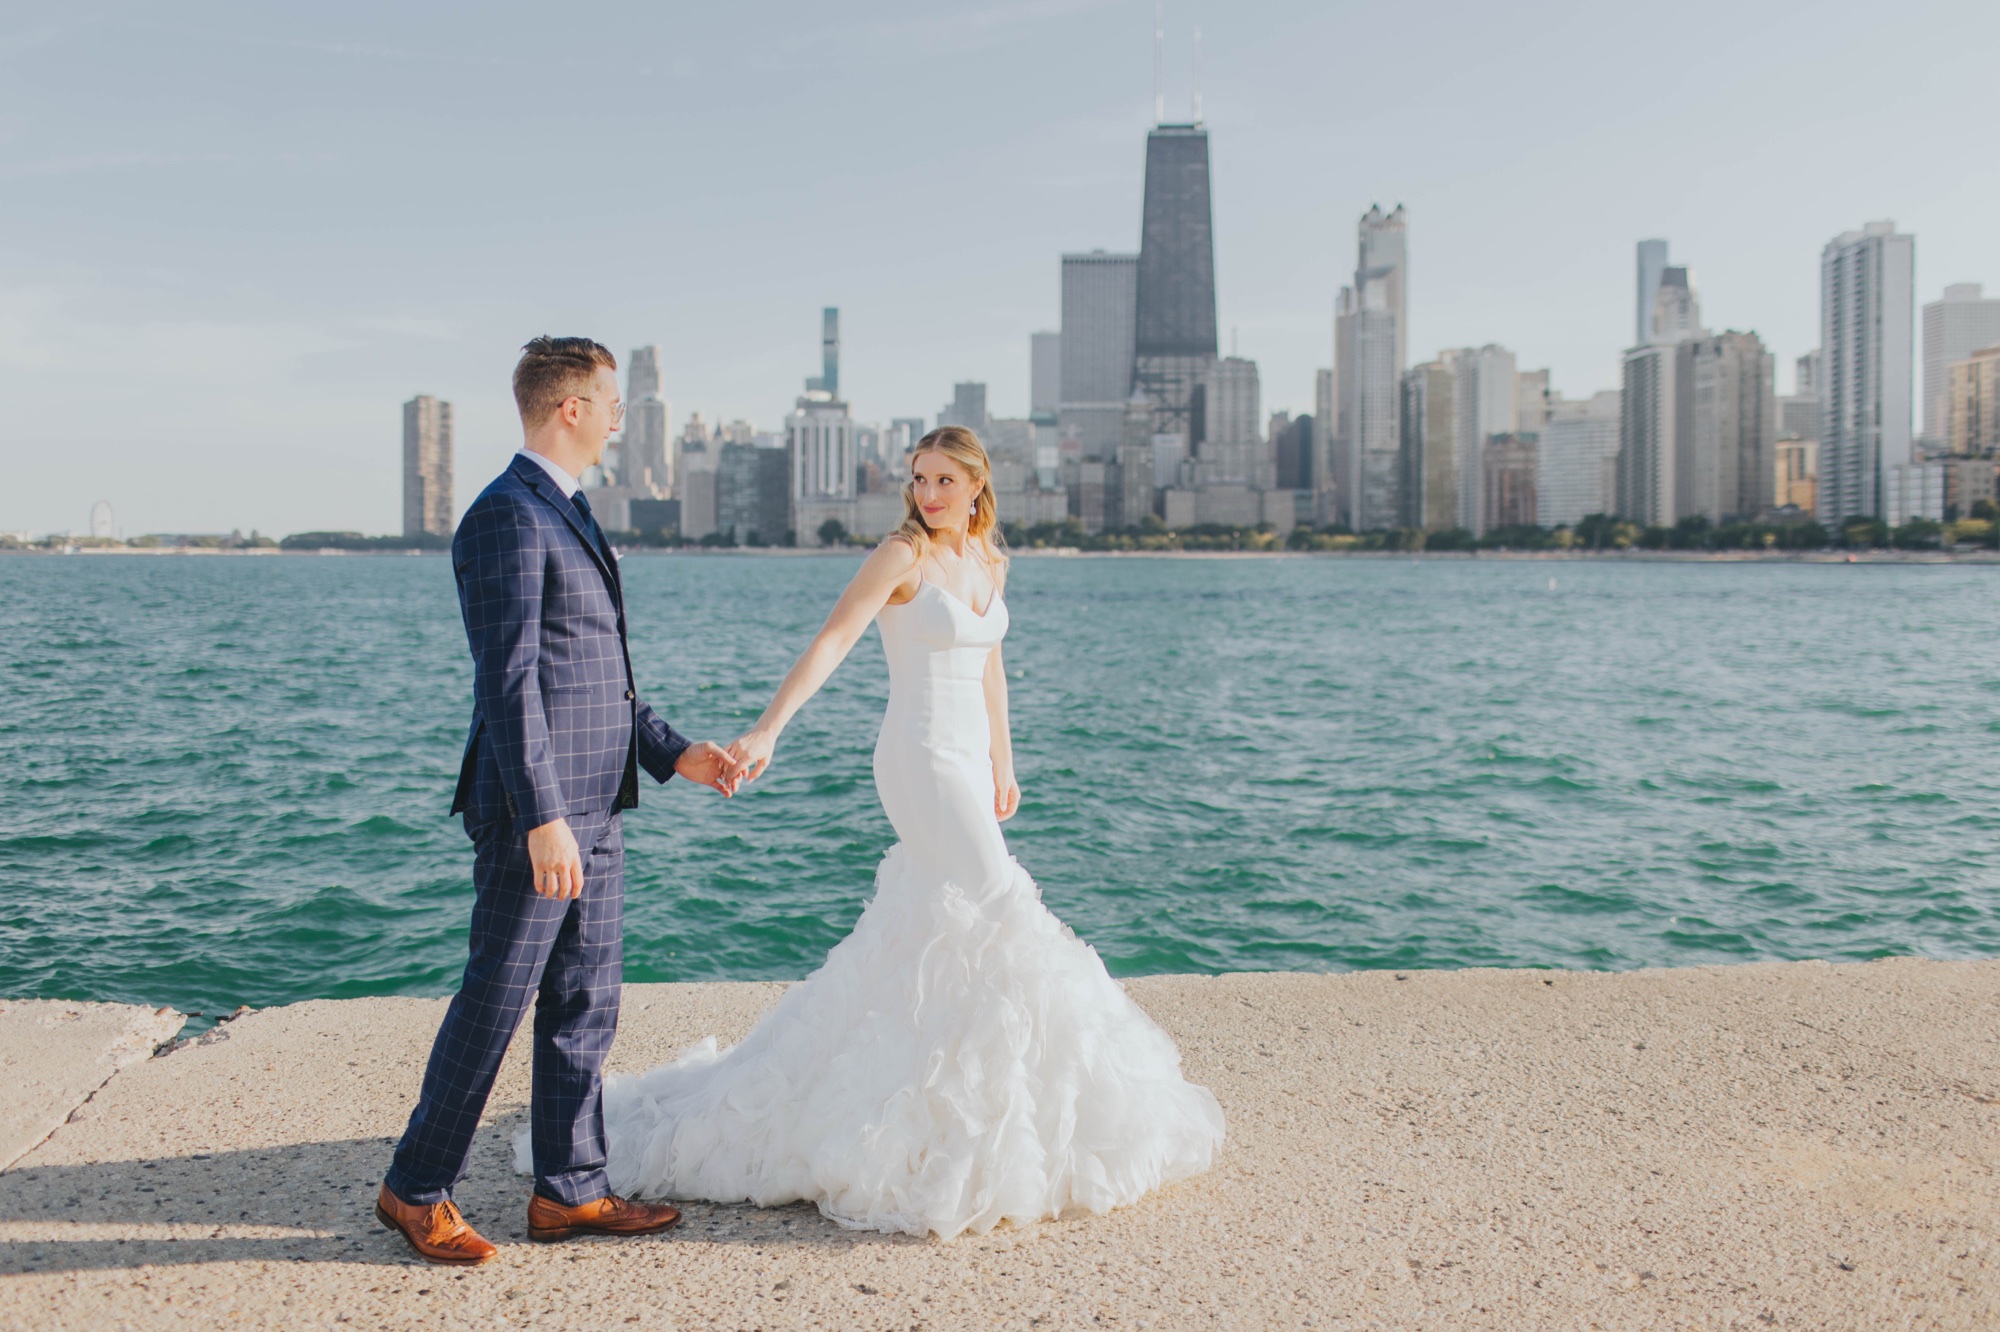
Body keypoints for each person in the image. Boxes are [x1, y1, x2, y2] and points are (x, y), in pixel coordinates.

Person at [534, 425, 1225, 1239]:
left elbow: (990, 663)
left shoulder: (988, 560)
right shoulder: (903, 556)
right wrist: (768, 731)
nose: (926, 494)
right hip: (919, 758)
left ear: (976, 486)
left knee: (943, 923)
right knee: (999, 904)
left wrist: (1005, 759)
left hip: (970, 760)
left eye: (942, 480)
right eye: (918, 479)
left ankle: (950, 1094)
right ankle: (983, 1119)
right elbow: (834, 638)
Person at [378, 337, 738, 1265]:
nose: (621, 417)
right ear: (570, 408)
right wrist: (541, 815)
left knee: (587, 1000)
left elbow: (596, 675)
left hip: (599, 802)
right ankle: (415, 1189)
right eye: (610, 402)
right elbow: (511, 683)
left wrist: (674, 752)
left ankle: (570, 1191)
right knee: (495, 1001)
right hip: (537, 813)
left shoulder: (567, 508)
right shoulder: (506, 515)